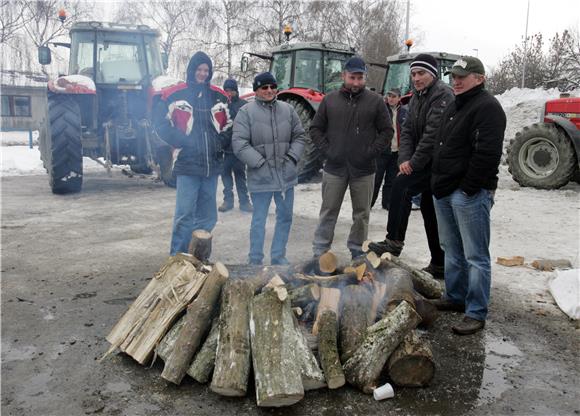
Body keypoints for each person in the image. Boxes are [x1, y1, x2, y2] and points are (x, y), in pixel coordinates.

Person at [430, 56, 506, 335]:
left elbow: (487, 155)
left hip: (469, 194)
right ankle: (455, 296)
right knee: (452, 249)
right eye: (454, 76)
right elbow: (442, 146)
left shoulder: (488, 108)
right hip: (446, 191)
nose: (457, 80)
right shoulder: (454, 105)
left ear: (480, 78)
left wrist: (468, 188)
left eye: (463, 76)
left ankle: (475, 311)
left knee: (475, 255)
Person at [368, 54, 453, 279]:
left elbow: (432, 135)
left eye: (421, 74)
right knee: (428, 208)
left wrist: (412, 164)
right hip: (420, 161)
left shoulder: (442, 95)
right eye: (413, 74)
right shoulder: (416, 97)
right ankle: (439, 263)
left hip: (438, 162)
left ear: (432, 75)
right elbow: (406, 131)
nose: (416, 78)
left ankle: (394, 240)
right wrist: (404, 159)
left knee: (402, 185)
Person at [311, 56, 393, 259]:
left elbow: (387, 131)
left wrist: (370, 152)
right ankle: (320, 251)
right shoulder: (329, 100)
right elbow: (315, 129)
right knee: (328, 211)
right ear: (344, 76)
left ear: (365, 77)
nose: (356, 82)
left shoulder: (375, 102)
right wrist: (328, 151)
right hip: (334, 168)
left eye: (360, 78)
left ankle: (357, 252)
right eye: (352, 77)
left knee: (362, 214)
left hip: (364, 170)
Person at [154, 51, 232, 256]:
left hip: (211, 166)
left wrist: (221, 142)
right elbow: (160, 124)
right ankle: (177, 259)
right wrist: (182, 141)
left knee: (208, 218)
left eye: (206, 70)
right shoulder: (175, 94)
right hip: (187, 164)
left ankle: (198, 259)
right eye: (199, 69)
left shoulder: (219, 96)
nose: (203, 74)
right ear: (191, 70)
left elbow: (230, 125)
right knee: (184, 216)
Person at [232, 72, 305, 265]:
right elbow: (239, 143)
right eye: (264, 87)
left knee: (285, 218)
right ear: (256, 90)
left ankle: (278, 256)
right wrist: (260, 163)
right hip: (261, 177)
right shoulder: (246, 112)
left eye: (272, 87)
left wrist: (291, 157)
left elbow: (300, 136)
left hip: (285, 176)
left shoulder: (288, 110)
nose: (269, 91)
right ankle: (255, 258)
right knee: (259, 220)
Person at [218, 78, 252, 213]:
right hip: (224, 149)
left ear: (236, 91)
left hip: (239, 149)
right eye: (226, 91)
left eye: (231, 90)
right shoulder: (221, 106)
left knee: (240, 176)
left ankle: (244, 202)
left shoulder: (244, 105)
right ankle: (228, 201)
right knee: (225, 176)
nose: (229, 93)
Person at [371, 87, 407, 210]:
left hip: (396, 152)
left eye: (393, 96)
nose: (390, 99)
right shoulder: (381, 110)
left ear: (399, 98)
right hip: (382, 152)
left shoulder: (404, 112)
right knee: (376, 179)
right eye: (389, 96)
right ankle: (368, 204)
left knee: (391, 181)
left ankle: (387, 204)